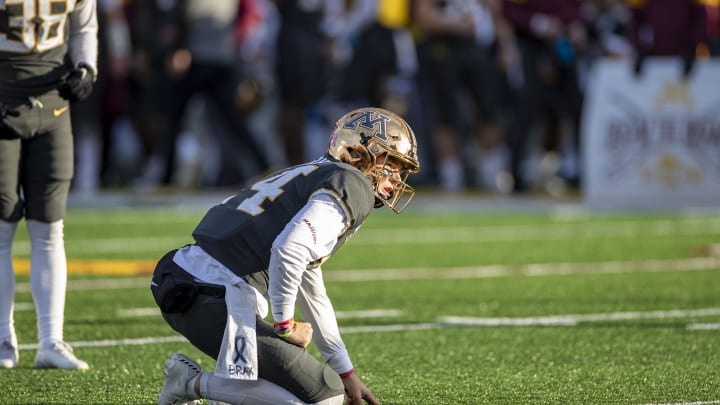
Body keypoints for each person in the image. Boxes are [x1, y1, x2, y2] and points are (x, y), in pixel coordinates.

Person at [151, 107, 420, 405]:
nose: (397, 177)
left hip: (188, 278)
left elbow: (310, 283)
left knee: (316, 388)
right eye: (391, 162)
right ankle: (190, 384)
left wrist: (346, 371)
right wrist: (286, 325)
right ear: (358, 151)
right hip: (214, 293)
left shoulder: (316, 171)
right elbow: (290, 249)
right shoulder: (353, 183)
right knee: (326, 397)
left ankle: (211, 388)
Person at [0, 0, 98, 370]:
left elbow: (83, 26)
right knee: (2, 227)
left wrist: (86, 67)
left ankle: (50, 340)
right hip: (3, 100)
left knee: (50, 227)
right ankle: (3, 338)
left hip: (53, 104)